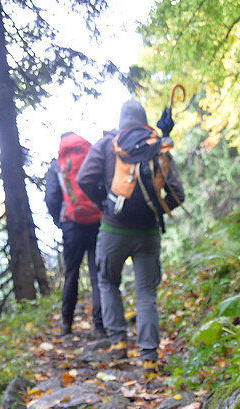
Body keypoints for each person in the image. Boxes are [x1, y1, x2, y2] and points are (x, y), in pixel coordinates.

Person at [76, 100, 185, 370]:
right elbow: (177, 193)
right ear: (144, 120)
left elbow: (84, 179)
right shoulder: (155, 146)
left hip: (114, 228)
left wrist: (106, 203)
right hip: (148, 232)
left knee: (108, 281)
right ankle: (148, 357)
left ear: (121, 120)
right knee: (146, 291)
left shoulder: (107, 144)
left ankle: (118, 343)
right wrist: (157, 211)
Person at [45, 133, 104, 337]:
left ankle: (66, 324)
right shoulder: (90, 156)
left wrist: (60, 221)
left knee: (72, 274)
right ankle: (100, 325)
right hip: (97, 221)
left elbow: (52, 197)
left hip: (72, 225)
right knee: (98, 276)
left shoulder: (57, 165)